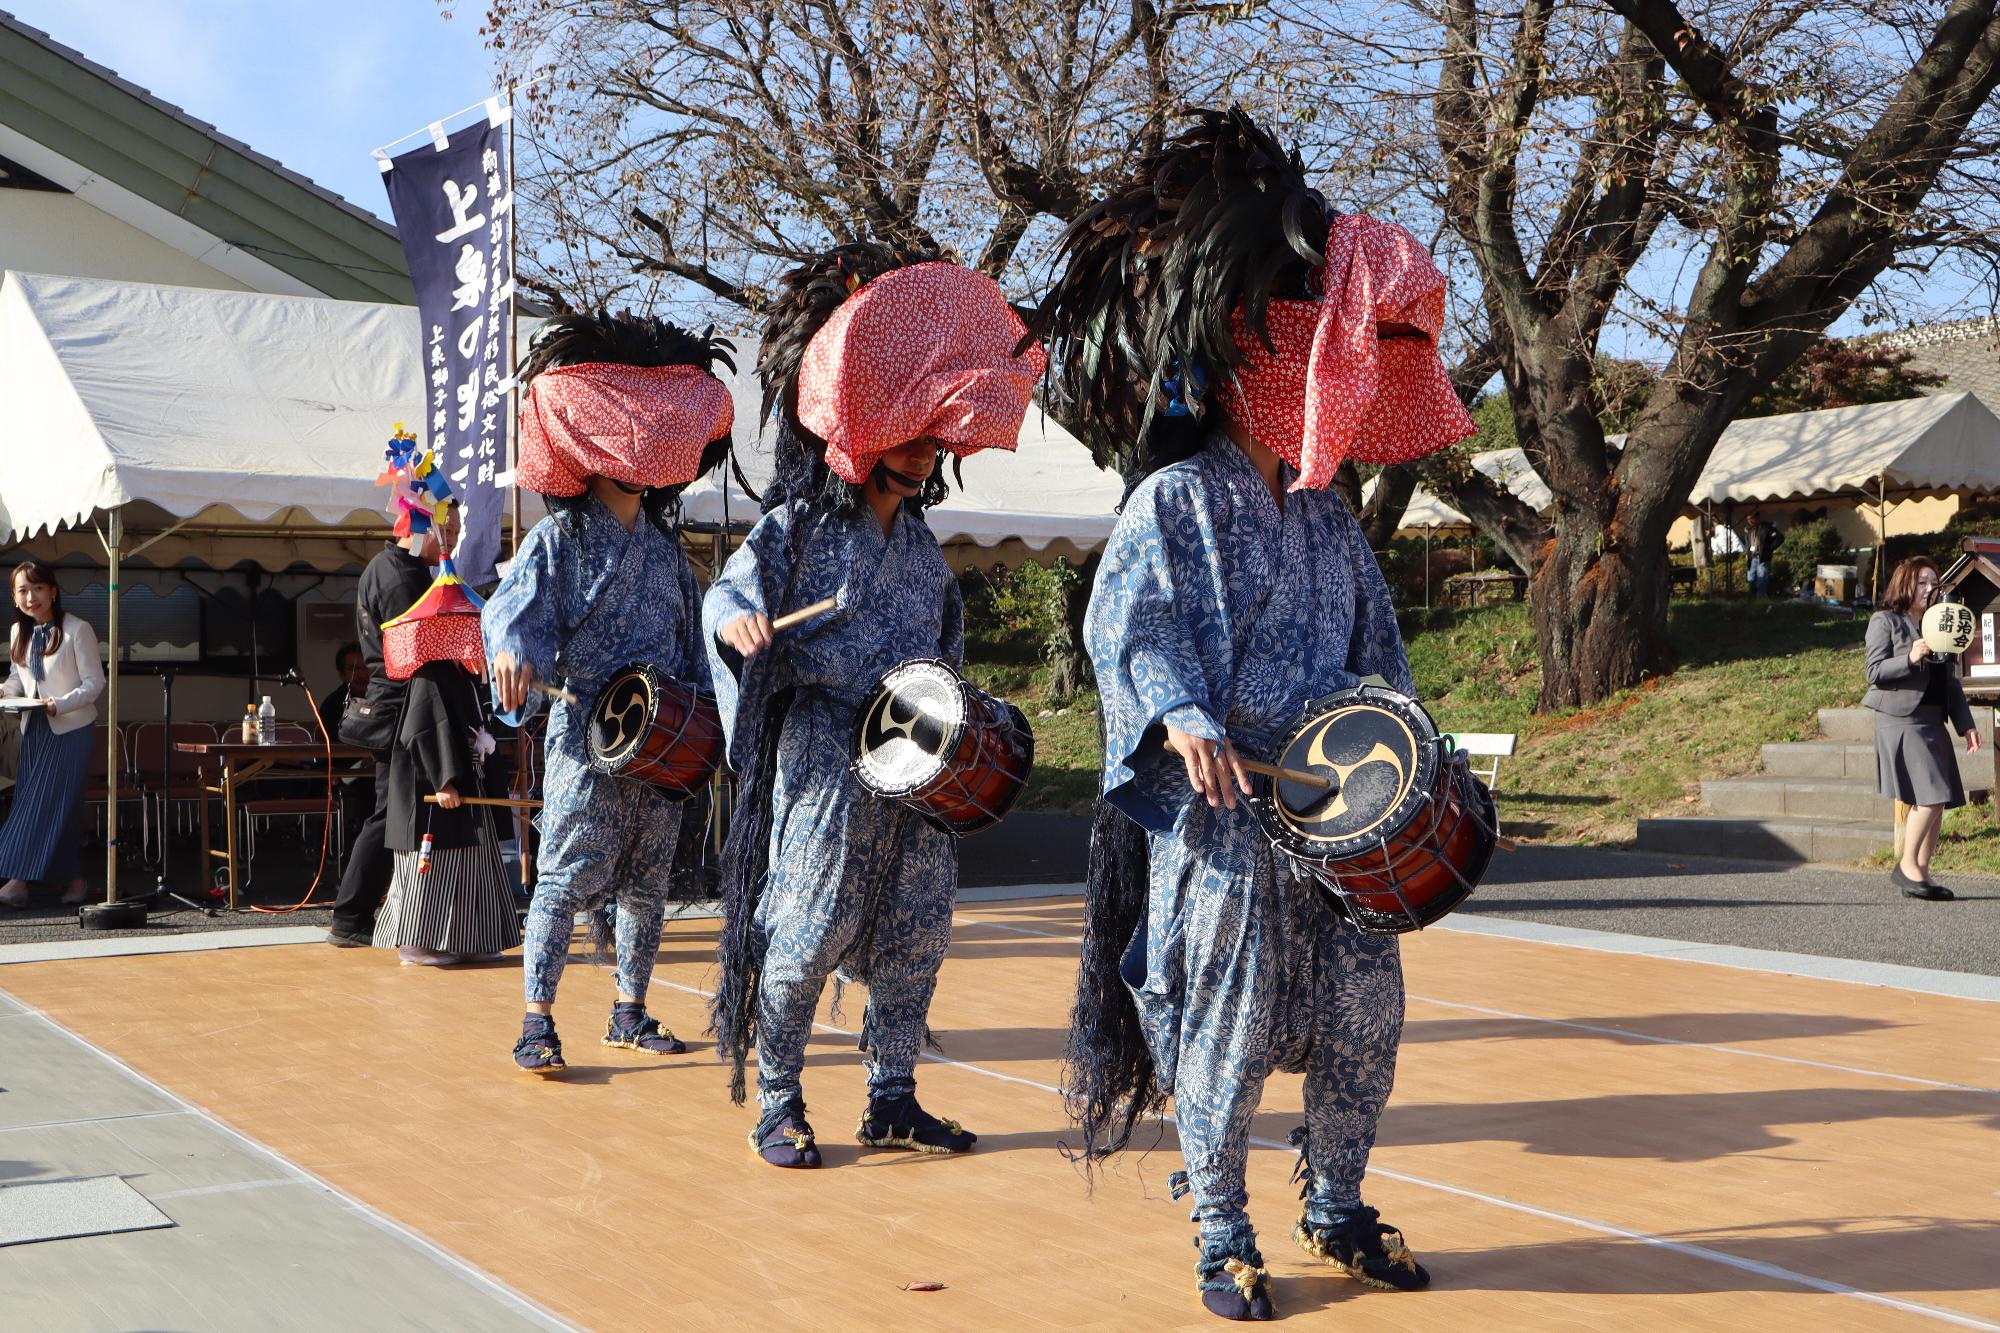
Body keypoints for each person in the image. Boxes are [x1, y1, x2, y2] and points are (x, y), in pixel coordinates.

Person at [1027, 108, 1476, 1320]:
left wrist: (1416, 760)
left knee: (1365, 1020)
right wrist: (1176, 713)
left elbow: (1379, 662)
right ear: (1252, 352)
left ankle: (1334, 1201)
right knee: (1221, 1028)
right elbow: (1125, 625)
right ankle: (1220, 1227)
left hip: (1338, 821)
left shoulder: (1328, 520)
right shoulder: (1176, 496)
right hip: (1225, 817)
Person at [704, 247, 1043, 1167]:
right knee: (807, 927)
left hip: (915, 761)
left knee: (917, 930)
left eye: (933, 433)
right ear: (860, 430)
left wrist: (975, 725)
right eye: (908, 429)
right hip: (824, 752)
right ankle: (777, 1098)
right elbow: (728, 594)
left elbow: (950, 656)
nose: (926, 448)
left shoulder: (927, 551)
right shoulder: (796, 529)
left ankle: (893, 1094)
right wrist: (739, 625)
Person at [484, 312, 735, 1075]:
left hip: (660, 743)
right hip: (587, 736)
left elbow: (696, 649)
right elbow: (512, 615)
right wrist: (513, 657)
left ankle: (630, 1008)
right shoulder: (557, 542)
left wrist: (713, 724)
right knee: (563, 877)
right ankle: (537, 1016)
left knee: (647, 882)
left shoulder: (665, 553)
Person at [373, 555, 521, 965]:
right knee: (435, 867)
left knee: (473, 865)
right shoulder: (433, 675)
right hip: (434, 789)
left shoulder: (463, 677)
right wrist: (443, 781)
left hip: (465, 787)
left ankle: (470, 938)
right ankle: (418, 942)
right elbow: (422, 732)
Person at [326, 488, 456, 947]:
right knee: (391, 814)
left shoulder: (386, 567)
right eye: (451, 530)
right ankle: (351, 915)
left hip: (394, 701)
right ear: (426, 526)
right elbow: (418, 652)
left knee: (395, 813)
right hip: (403, 705)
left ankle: (373, 912)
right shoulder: (403, 578)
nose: (454, 542)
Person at [1866, 557, 1980, 901]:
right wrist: (1910, 658)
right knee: (1929, 798)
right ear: (1905, 584)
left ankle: (1921, 871)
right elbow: (1874, 671)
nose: (1930, 589)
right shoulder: (1885, 621)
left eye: (1933, 583)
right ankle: (1906, 867)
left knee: (1940, 798)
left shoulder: (1939, 622)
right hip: (1901, 720)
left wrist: (1966, 724)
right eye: (1922, 583)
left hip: (1933, 719)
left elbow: (1951, 682)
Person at [0, 561, 105, 909]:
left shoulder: (78, 629)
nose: (31, 597)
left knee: (41, 804)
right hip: (35, 728)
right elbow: (21, 680)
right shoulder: (19, 633)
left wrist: (58, 704)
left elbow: (95, 684)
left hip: (72, 728)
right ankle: (75, 880)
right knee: (58, 807)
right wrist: (5, 690)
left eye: (38, 588)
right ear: (15, 598)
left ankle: (17, 882)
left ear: (53, 591)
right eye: (23, 591)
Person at [318, 642, 373, 862]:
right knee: (371, 789)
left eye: (364, 667)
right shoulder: (333, 704)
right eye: (353, 668)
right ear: (342, 674)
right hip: (346, 771)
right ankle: (361, 848)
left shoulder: (382, 697)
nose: (361, 674)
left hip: (378, 766)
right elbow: (328, 744)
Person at [1745, 509, 1780, 597]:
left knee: (1761, 580)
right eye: (1748, 519)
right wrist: (1747, 553)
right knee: (1751, 579)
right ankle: (1751, 598)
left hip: (1762, 558)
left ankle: (1760, 600)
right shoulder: (1749, 529)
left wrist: (1769, 548)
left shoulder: (1766, 527)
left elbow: (1779, 538)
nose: (1750, 521)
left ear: (1757, 518)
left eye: (1751, 519)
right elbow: (1748, 543)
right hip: (1751, 558)